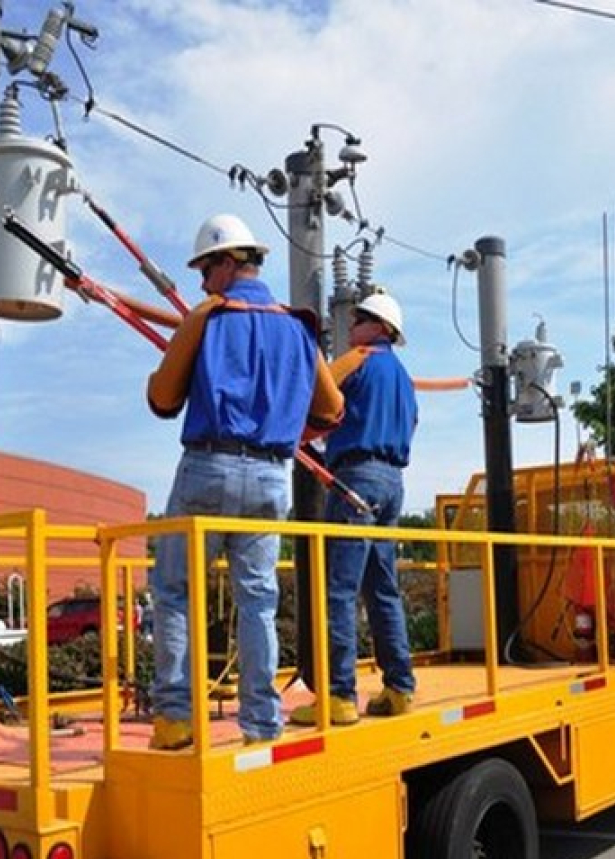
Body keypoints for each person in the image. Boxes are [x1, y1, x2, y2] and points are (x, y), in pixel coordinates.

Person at [145, 213, 344, 749]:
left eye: (206, 270)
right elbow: (331, 410)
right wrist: (279, 414)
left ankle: (175, 717)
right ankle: (261, 722)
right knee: (257, 600)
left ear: (229, 263)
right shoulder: (297, 328)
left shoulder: (208, 318)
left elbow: (163, 398)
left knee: (175, 590)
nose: (202, 283)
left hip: (207, 465)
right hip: (270, 476)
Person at [292, 291, 419, 726]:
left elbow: (315, 387)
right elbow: (410, 423)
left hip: (355, 479)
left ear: (380, 328)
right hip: (392, 481)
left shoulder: (360, 358)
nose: (350, 327)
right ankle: (400, 687)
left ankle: (338, 695)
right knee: (382, 587)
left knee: (340, 589)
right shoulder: (402, 376)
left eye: (359, 319)